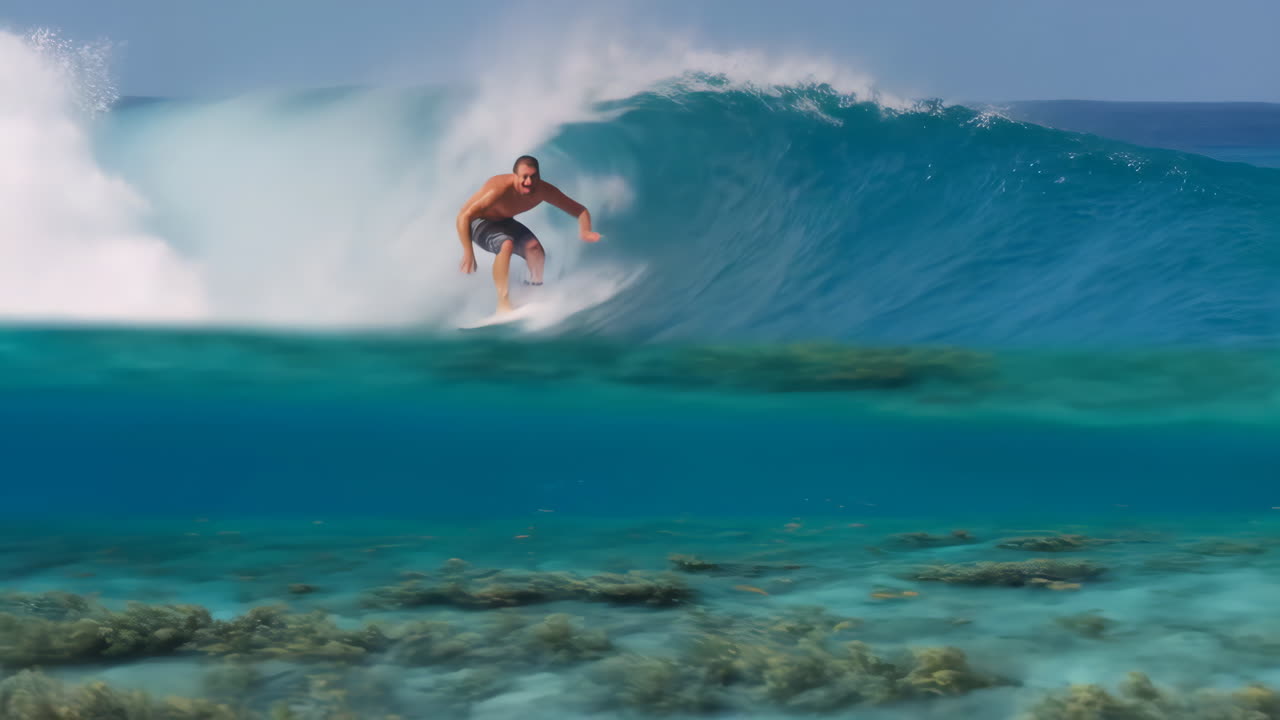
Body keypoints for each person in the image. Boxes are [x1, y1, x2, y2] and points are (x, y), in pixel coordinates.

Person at [455, 155, 601, 313]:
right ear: (515, 176)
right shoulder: (498, 189)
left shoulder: (544, 191)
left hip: (504, 221)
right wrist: (468, 252)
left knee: (535, 250)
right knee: (506, 244)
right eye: (524, 177)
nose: (529, 182)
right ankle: (503, 305)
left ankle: (532, 292)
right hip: (478, 222)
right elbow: (463, 216)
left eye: (533, 177)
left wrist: (585, 230)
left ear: (538, 176)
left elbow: (579, 210)